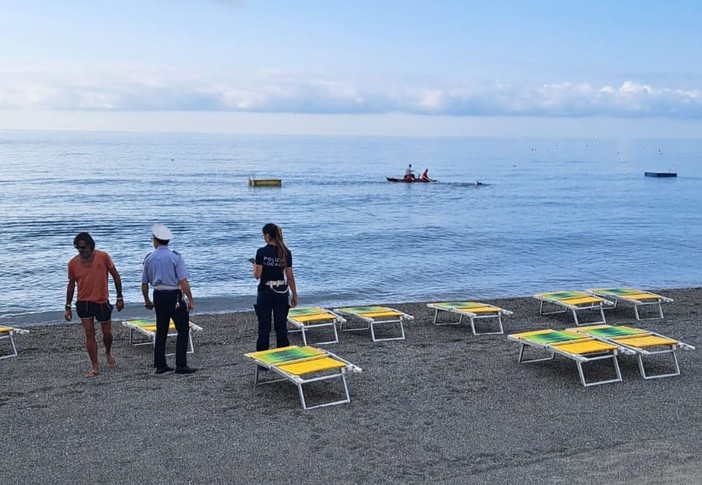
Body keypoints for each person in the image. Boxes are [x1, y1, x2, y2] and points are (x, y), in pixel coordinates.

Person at [65, 232, 124, 377]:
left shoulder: (103, 257)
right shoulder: (73, 263)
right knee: (89, 333)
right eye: (79, 248)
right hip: (83, 302)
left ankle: (108, 352)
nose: (82, 251)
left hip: (101, 301)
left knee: (107, 333)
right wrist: (67, 306)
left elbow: (116, 276)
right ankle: (95, 366)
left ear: (91, 246)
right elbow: (71, 285)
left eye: (84, 248)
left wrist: (120, 297)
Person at [141, 223, 197, 374]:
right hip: (174, 295)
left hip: (158, 295)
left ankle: (160, 365)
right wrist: (191, 300)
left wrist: (147, 300)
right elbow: (183, 281)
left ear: (155, 240)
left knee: (161, 330)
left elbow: (144, 283)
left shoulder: (149, 258)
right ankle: (181, 364)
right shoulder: (175, 257)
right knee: (183, 329)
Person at [252, 223, 298, 352]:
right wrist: (294, 294)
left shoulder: (261, 252)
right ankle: (283, 356)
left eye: (263, 235)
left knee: (264, 327)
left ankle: (263, 360)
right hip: (281, 290)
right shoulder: (285, 252)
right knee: (281, 327)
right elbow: (289, 276)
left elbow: (258, 275)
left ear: (267, 235)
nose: (263, 238)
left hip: (266, 291)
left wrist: (254, 268)